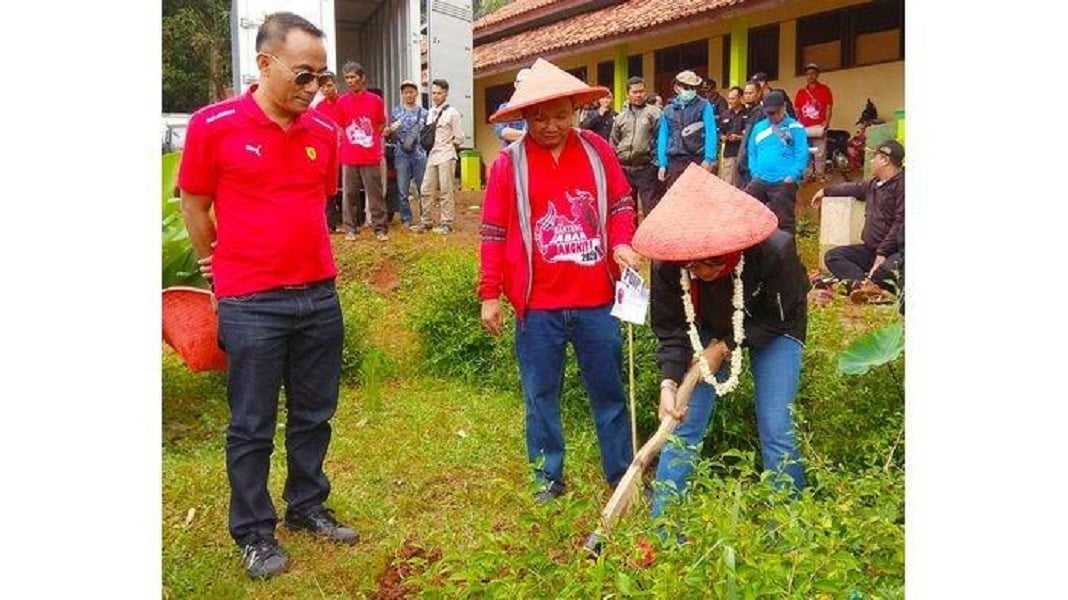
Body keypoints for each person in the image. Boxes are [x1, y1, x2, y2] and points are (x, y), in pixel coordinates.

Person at [178, 12, 357, 580]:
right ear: (264, 64)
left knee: (314, 413)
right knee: (251, 422)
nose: (314, 90)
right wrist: (219, 267)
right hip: (251, 301)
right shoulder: (214, 124)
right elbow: (194, 203)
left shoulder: (323, 133)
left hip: (319, 295)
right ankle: (255, 531)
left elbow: (315, 202)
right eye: (304, 76)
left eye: (321, 79)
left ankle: (307, 505)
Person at [479, 58, 641, 504]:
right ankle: (548, 478)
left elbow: (622, 205)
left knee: (609, 393)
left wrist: (622, 244)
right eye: (539, 117)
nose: (551, 125)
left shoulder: (597, 151)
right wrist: (489, 294)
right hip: (539, 306)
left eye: (561, 115)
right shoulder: (508, 165)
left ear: (577, 111)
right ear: (525, 117)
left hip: (596, 301)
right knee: (540, 396)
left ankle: (621, 474)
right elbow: (493, 231)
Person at [631, 164, 809, 522]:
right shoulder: (670, 263)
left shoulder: (774, 251)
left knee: (776, 425)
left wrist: (724, 346)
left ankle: (791, 527)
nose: (700, 271)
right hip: (703, 332)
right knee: (682, 424)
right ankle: (664, 526)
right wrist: (668, 383)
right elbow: (670, 330)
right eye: (692, 265)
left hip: (771, 328)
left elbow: (777, 317)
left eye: (711, 263)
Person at [811, 140, 905, 303]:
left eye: (874, 157)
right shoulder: (874, 185)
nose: (871, 161)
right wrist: (825, 191)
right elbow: (853, 188)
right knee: (834, 256)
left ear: (885, 160)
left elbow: (901, 223)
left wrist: (882, 254)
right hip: (870, 250)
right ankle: (864, 286)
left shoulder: (903, 185)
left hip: (895, 252)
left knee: (885, 272)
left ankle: (875, 286)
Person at [336, 61, 388, 241]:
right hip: (349, 156)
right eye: (347, 78)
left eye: (353, 77)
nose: (350, 81)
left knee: (374, 193)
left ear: (362, 78)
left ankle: (380, 229)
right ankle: (350, 228)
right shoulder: (341, 101)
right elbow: (341, 125)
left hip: (370, 155)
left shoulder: (375, 101)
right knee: (349, 194)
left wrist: (369, 140)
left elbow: (381, 124)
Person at [744, 91, 809, 234]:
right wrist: (755, 172)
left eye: (775, 113)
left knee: (784, 222)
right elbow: (751, 152)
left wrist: (792, 175)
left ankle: (787, 255)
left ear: (784, 107)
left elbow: (802, 153)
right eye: (769, 114)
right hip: (760, 178)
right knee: (748, 212)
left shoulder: (796, 127)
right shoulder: (759, 127)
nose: (773, 117)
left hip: (784, 181)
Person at [653, 70, 718, 211]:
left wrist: (709, 158)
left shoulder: (704, 106)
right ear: (677, 88)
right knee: (676, 202)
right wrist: (662, 164)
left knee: (698, 200)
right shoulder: (668, 110)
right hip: (675, 161)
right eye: (687, 87)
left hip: (697, 158)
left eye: (693, 87)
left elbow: (711, 132)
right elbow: (663, 136)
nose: (690, 90)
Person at [414, 79, 464, 234]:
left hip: (446, 155)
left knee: (445, 190)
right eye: (433, 93)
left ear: (446, 94)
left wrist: (448, 147)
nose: (435, 96)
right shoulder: (430, 113)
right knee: (426, 189)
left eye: (439, 93)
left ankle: (446, 223)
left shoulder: (452, 113)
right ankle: (426, 221)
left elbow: (459, 138)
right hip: (432, 155)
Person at [610, 76, 661, 217]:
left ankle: (650, 239)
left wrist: (655, 163)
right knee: (627, 209)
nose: (639, 95)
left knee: (650, 208)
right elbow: (614, 142)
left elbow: (660, 139)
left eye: (642, 91)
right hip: (625, 170)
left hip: (646, 169)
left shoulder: (654, 113)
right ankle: (630, 238)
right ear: (628, 94)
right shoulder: (620, 117)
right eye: (635, 92)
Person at [384, 79, 428, 228]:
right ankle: (406, 219)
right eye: (405, 92)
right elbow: (388, 133)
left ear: (416, 93)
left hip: (420, 155)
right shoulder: (395, 112)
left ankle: (425, 217)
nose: (409, 95)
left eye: (411, 92)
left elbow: (428, 134)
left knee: (423, 188)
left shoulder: (424, 113)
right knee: (402, 189)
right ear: (402, 94)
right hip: (401, 154)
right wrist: (390, 130)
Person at [312, 73, 343, 232]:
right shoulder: (319, 107)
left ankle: (350, 220)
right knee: (329, 189)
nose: (326, 89)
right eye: (322, 86)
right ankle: (330, 223)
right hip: (327, 152)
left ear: (336, 85)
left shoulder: (344, 103)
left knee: (345, 188)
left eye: (329, 85)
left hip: (344, 151)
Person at [794, 63, 834, 183]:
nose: (810, 76)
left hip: (819, 126)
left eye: (812, 73)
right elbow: (797, 109)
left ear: (817, 75)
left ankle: (819, 175)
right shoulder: (801, 92)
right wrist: (797, 123)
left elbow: (828, 107)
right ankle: (807, 175)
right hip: (804, 127)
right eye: (807, 74)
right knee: (805, 151)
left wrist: (826, 121)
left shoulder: (825, 89)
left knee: (820, 152)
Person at [717, 86, 748, 187]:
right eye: (729, 98)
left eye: (733, 98)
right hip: (729, 153)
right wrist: (722, 137)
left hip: (745, 154)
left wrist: (739, 138)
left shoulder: (749, 113)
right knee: (728, 183)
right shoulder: (725, 114)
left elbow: (752, 134)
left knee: (743, 184)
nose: (730, 101)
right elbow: (719, 131)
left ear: (740, 98)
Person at [493, 68, 531, 146]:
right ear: (515, 84)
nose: (525, 86)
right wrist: (529, 136)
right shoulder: (505, 108)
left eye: (529, 83)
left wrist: (513, 134)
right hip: (512, 156)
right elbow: (501, 131)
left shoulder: (539, 107)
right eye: (522, 82)